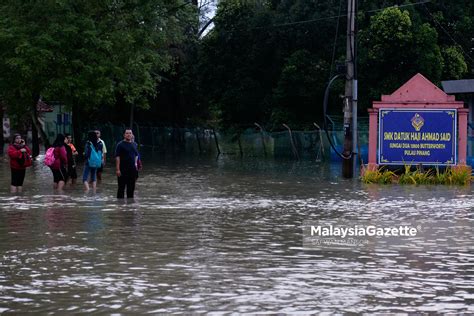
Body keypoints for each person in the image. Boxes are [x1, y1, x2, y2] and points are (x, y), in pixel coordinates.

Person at [115, 128, 139, 198]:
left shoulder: (134, 144)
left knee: (131, 189)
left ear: (132, 135)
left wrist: (137, 166)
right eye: (127, 133)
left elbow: (136, 156)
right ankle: (120, 206)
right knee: (121, 188)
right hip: (122, 169)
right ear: (124, 135)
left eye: (130, 133)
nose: (128, 134)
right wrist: (117, 169)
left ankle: (130, 207)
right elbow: (117, 157)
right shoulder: (120, 144)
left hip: (132, 169)